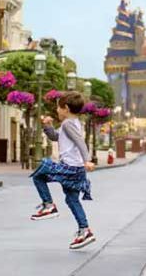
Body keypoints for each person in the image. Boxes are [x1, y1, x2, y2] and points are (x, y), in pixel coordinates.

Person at [30, 91, 97, 250]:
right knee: (72, 199)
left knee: (40, 173)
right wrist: (47, 126)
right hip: (76, 169)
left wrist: (87, 159)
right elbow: (55, 137)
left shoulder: (68, 124)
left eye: (58, 108)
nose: (57, 111)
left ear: (66, 108)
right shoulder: (73, 123)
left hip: (70, 167)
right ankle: (84, 230)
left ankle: (48, 205)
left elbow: (80, 142)